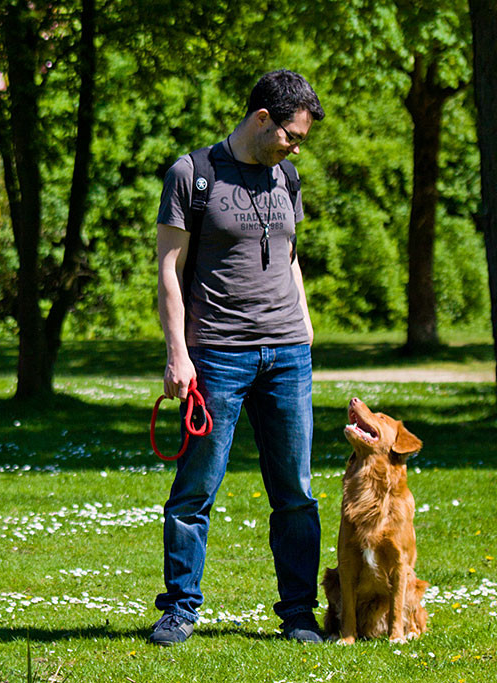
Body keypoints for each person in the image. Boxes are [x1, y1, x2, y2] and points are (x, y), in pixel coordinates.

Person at [149, 70, 326, 646]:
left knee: (295, 491)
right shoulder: (191, 175)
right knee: (196, 488)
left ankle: (299, 614)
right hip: (218, 355)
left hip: (287, 354)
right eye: (291, 135)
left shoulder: (287, 177)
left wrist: (303, 325)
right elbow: (169, 272)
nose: (295, 148)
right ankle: (180, 609)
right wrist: (178, 353)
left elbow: (290, 256)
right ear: (261, 119)